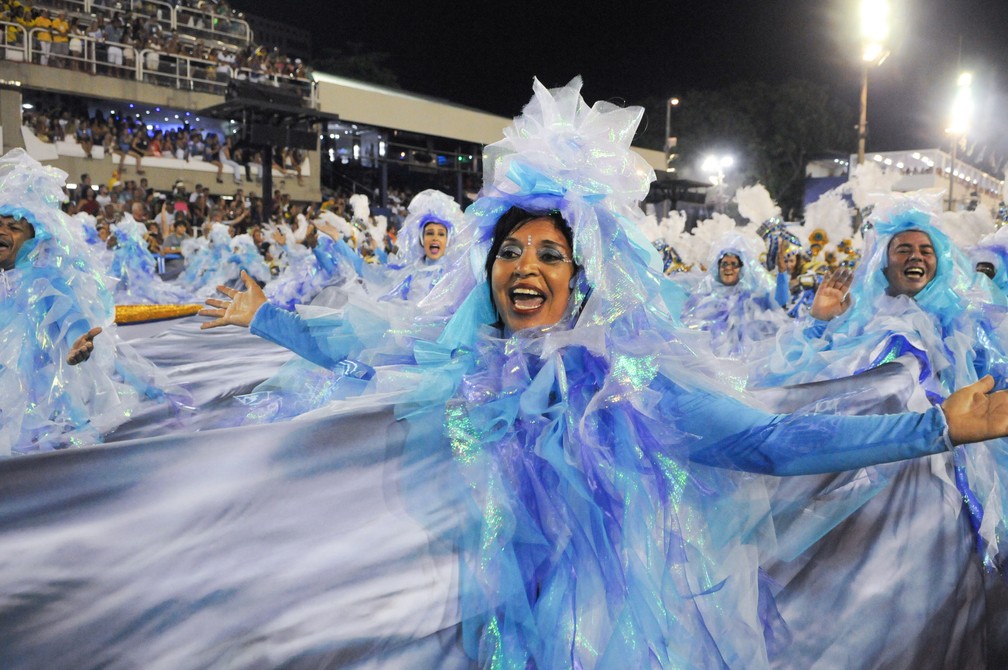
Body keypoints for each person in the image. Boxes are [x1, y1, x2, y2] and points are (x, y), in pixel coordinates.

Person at [201, 79, 1008, 668]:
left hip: (596, 630)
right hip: (472, 617)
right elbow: (363, 350)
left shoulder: (625, 382)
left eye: (551, 254)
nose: (526, 265)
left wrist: (935, 427)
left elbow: (769, 442)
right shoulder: (459, 360)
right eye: (511, 251)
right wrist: (269, 320)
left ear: (582, 280)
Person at [756, 199, 1008, 668]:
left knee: (941, 596)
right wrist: (820, 324)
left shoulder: (969, 325)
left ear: (940, 261)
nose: (914, 256)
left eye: (925, 249)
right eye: (902, 249)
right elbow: (811, 384)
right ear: (884, 262)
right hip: (875, 487)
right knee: (868, 602)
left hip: (950, 490)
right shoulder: (863, 320)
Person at [0, 149, 166, 456]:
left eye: (13, 227)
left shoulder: (45, 279)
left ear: (34, 239)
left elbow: (72, 317)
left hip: (39, 391)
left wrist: (78, 342)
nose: (2, 231)